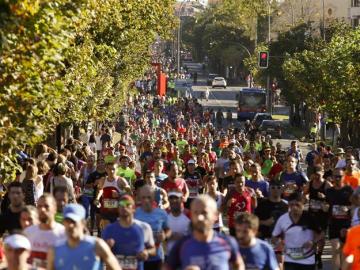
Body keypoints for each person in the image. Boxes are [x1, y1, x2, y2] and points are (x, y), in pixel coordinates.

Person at [165, 195, 245, 270]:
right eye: (196, 213)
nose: (200, 217)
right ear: (192, 216)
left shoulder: (228, 242)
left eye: (204, 212)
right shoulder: (181, 245)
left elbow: (239, 264)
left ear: (215, 215)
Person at [47, 204, 121, 270]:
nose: (70, 225)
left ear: (83, 223)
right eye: (67, 221)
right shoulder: (55, 250)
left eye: (73, 221)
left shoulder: (97, 245)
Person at [102, 194, 156, 270]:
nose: (124, 207)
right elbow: (99, 255)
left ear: (134, 208)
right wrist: (107, 247)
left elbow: (153, 250)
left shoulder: (144, 227)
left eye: (127, 204)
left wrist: (147, 252)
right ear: (118, 208)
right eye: (121, 204)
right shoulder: (109, 229)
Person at [272, 192, 323, 270]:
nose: (294, 208)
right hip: (289, 259)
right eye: (291, 205)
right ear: (288, 205)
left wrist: (313, 242)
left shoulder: (310, 218)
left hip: (308, 260)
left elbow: (322, 234)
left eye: (297, 205)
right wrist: (279, 243)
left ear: (303, 205)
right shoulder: (283, 219)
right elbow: (274, 237)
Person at [23, 194, 65, 268]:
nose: (42, 209)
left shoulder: (64, 234)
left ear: (55, 209)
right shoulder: (27, 233)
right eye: (39, 206)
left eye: (46, 206)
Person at [135, 185, 171, 269]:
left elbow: (168, 230)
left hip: (157, 257)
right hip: (139, 257)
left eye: (149, 197)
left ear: (153, 197)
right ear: (140, 198)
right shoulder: (134, 214)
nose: (146, 200)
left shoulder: (161, 213)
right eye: (143, 197)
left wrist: (165, 236)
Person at [325, 168, 353, 270]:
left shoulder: (348, 190)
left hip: (346, 224)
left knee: (343, 250)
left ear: (344, 177)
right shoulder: (329, 191)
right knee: (335, 249)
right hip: (333, 224)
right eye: (335, 176)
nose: (337, 179)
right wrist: (325, 207)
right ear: (332, 177)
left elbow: (355, 205)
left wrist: (348, 208)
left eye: (339, 176)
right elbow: (326, 204)